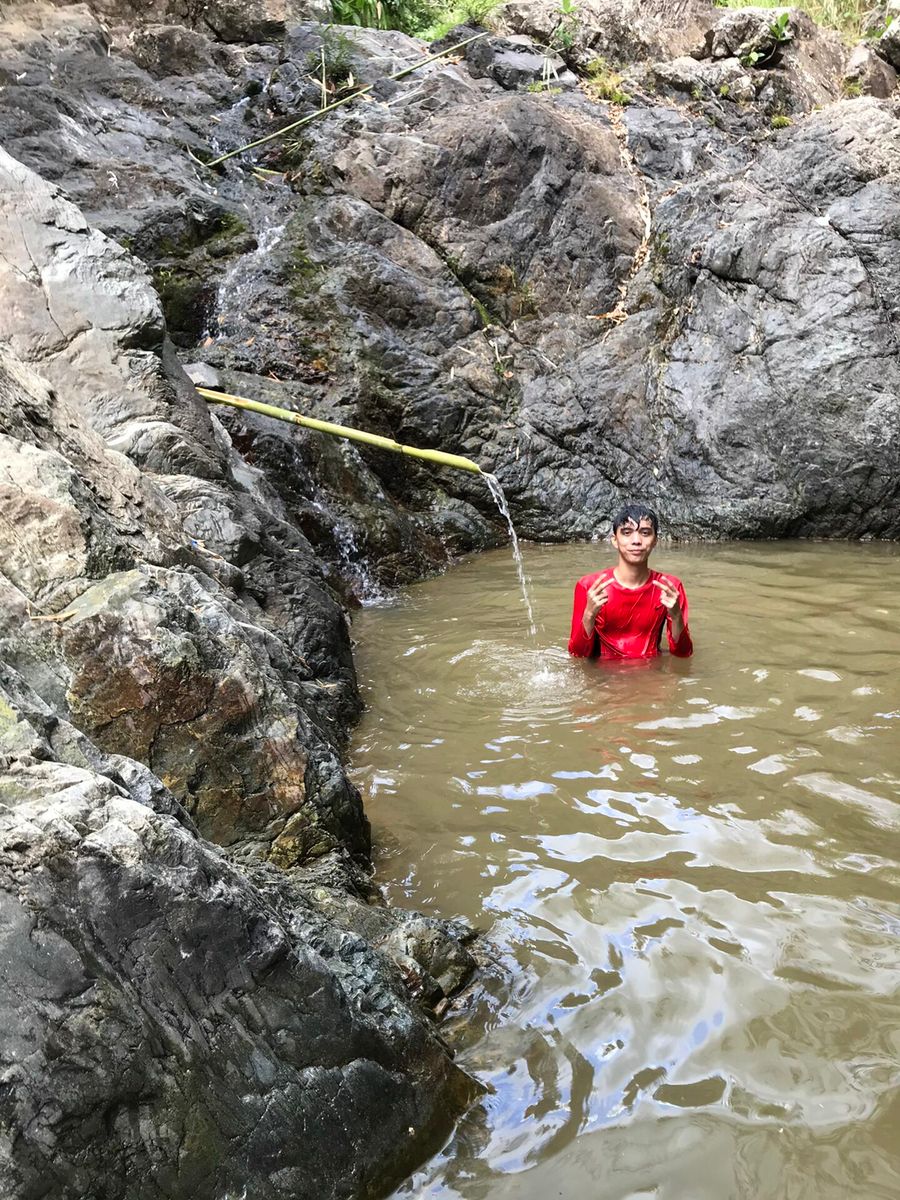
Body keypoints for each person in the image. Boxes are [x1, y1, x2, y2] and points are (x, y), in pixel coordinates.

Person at [568, 504, 693, 660]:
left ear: (655, 540)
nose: (636, 541)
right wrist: (589, 614)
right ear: (614, 540)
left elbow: (683, 653)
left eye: (645, 533)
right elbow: (577, 654)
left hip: (651, 671)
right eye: (627, 533)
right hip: (605, 673)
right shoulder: (591, 586)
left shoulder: (669, 588)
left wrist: (676, 616)